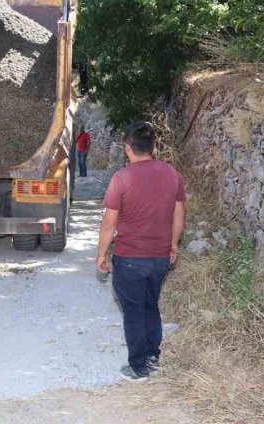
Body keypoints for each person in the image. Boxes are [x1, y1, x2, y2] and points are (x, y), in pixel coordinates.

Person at [96, 122, 186, 381]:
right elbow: (179, 213)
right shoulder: (172, 174)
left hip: (130, 258)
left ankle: (138, 367)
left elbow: (109, 223)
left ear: (127, 148)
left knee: (134, 311)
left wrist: (101, 254)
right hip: (160, 257)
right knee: (150, 306)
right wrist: (173, 245)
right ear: (153, 146)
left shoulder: (122, 178)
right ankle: (152, 358)